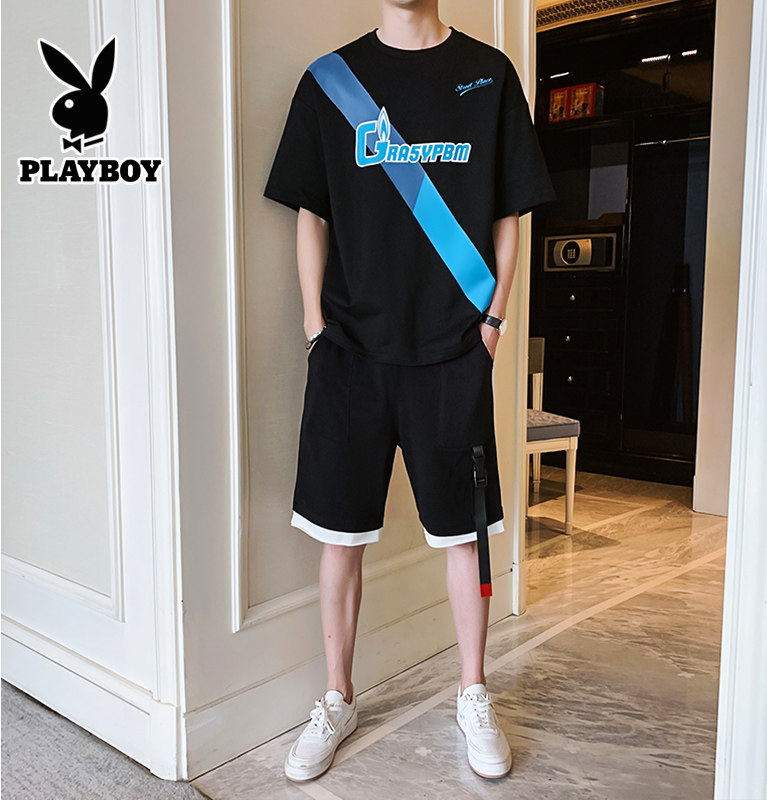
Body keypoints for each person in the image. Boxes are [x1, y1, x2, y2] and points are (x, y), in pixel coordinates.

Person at [263, 0, 555, 783]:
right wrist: (316, 329)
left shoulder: (489, 75)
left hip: (454, 352)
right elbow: (311, 213)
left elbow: (508, 213)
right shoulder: (330, 82)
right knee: (339, 538)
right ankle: (337, 697)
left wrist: (492, 324)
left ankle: (472, 692)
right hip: (349, 354)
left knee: (465, 536)